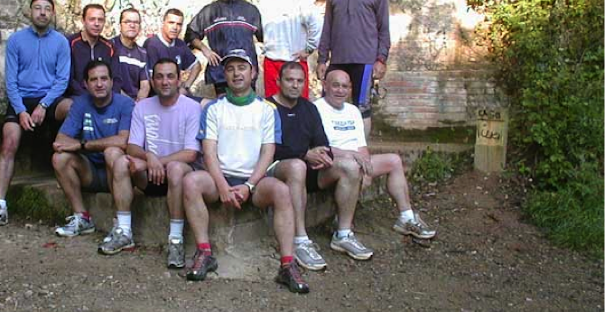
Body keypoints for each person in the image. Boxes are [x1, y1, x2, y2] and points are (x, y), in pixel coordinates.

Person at [182, 49, 309, 294]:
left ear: (253, 73)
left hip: (256, 181)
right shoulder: (214, 108)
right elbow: (208, 152)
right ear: (224, 74)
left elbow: (268, 151)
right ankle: (204, 252)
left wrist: (249, 185)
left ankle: (287, 264)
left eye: (242, 68)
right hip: (219, 178)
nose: (236, 73)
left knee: (282, 191)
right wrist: (222, 186)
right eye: (230, 69)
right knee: (191, 182)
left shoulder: (267, 109)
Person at [314, 69, 436, 260]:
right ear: (325, 86)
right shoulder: (316, 109)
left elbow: (361, 146)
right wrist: (351, 156)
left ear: (350, 89)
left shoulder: (353, 111)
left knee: (394, 160)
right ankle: (343, 234)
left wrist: (367, 169)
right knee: (351, 167)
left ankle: (406, 218)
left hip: (355, 161)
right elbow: (319, 147)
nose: (340, 90)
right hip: (332, 163)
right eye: (335, 85)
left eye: (345, 86)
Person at [0, 0, 71, 228]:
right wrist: (21, 111)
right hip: (21, 99)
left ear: (52, 14)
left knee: (72, 109)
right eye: (37, 8)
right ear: (30, 12)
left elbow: (62, 80)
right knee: (9, 143)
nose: (42, 12)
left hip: (50, 99)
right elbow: (10, 81)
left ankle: (71, 177)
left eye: (47, 9)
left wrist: (43, 105)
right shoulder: (16, 40)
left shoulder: (61, 42)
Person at [110, 58, 202, 265]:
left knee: (176, 168)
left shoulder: (192, 108)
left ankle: (175, 240)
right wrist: (149, 157)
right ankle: (124, 231)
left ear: (179, 79)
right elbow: (133, 146)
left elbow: (191, 153)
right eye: (159, 77)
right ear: (152, 81)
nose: (165, 81)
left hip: (179, 177)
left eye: (170, 76)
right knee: (121, 162)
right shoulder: (142, 107)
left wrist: (157, 162)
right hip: (150, 176)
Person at [51, 60, 134, 253]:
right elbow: (60, 141)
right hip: (91, 171)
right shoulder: (80, 103)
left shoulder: (125, 104)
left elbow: (123, 141)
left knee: (112, 151)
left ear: (112, 82)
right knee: (59, 158)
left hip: (119, 172)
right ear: (86, 84)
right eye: (94, 80)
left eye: (104, 79)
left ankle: (121, 226)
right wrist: (78, 145)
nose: (99, 84)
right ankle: (82, 218)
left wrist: (83, 145)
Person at [316, 0, 390, 136]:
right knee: (327, 104)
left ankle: (361, 149)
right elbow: (327, 28)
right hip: (338, 60)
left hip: (364, 61)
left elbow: (384, 29)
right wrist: (322, 60)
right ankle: (327, 146)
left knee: (362, 107)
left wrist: (381, 59)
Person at [266, 62, 333, 271]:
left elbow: (322, 142)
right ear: (278, 81)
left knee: (348, 167)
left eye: (299, 81)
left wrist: (323, 154)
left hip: (307, 168)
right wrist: (304, 154)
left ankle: (344, 233)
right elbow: (269, 149)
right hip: (274, 169)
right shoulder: (266, 108)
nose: (295, 85)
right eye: (289, 80)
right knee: (297, 166)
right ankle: (300, 239)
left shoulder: (309, 108)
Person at [184, 0, 263, 95]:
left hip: (246, 73)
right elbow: (190, 33)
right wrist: (205, 50)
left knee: (246, 106)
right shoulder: (209, 11)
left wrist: (257, 61)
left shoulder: (250, 10)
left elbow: (265, 39)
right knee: (224, 107)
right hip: (220, 73)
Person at [258, 0, 321, 98]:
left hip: (294, 61)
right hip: (271, 62)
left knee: (299, 106)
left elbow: (316, 22)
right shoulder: (264, 0)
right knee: (273, 106)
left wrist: (309, 48)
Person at [57, 3, 114, 119]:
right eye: (92, 19)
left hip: (104, 96)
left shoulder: (109, 47)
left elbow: (115, 77)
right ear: (83, 21)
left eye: (100, 20)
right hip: (74, 96)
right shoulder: (69, 43)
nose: (97, 24)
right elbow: (68, 79)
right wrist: (90, 97)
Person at [144, 8, 202, 97]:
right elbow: (152, 80)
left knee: (207, 103)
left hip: (177, 94)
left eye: (179, 24)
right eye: (171, 23)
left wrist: (186, 86)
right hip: (158, 97)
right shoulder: (152, 44)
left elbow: (197, 65)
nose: (175, 27)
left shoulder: (180, 44)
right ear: (163, 23)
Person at [111, 7, 150, 101]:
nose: (132, 25)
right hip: (112, 100)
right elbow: (110, 82)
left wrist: (138, 103)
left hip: (136, 103)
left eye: (136, 22)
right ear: (120, 25)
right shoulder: (109, 47)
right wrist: (129, 102)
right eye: (127, 22)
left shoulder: (143, 53)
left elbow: (145, 85)